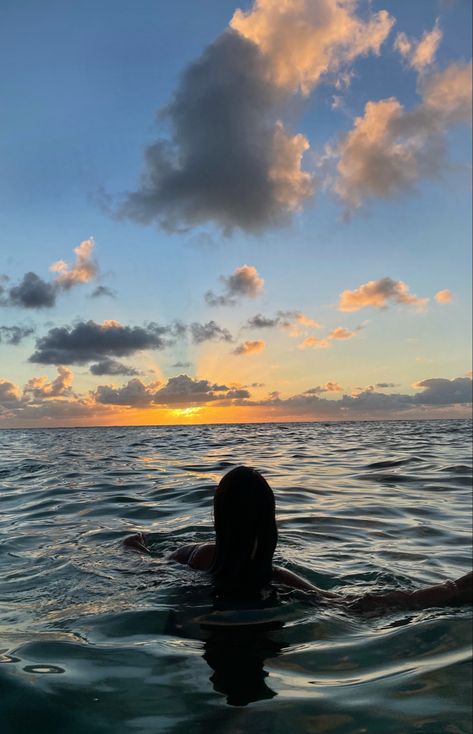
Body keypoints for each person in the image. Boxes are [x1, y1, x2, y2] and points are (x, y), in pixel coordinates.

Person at [124, 466, 472, 612]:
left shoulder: (195, 555)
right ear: (268, 523)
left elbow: (145, 566)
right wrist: (454, 589)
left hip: (191, 631)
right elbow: (352, 607)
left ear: (219, 518)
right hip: (259, 633)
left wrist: (134, 543)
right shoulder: (275, 578)